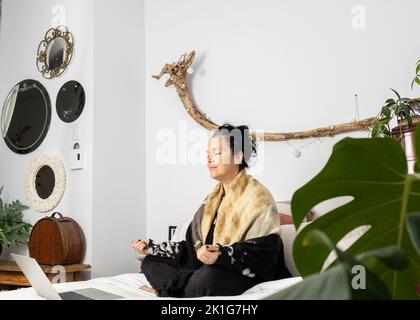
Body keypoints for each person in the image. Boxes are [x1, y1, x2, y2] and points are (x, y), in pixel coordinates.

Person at [132, 124, 290, 297]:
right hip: (202, 270)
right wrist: (153, 247)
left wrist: (222, 255)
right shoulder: (211, 200)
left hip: (238, 272)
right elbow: (190, 250)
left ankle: (173, 289)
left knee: (208, 276)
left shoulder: (258, 197)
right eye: (207, 155)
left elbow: (268, 251)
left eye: (217, 153)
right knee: (150, 263)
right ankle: (182, 288)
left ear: (238, 156)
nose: (209, 160)